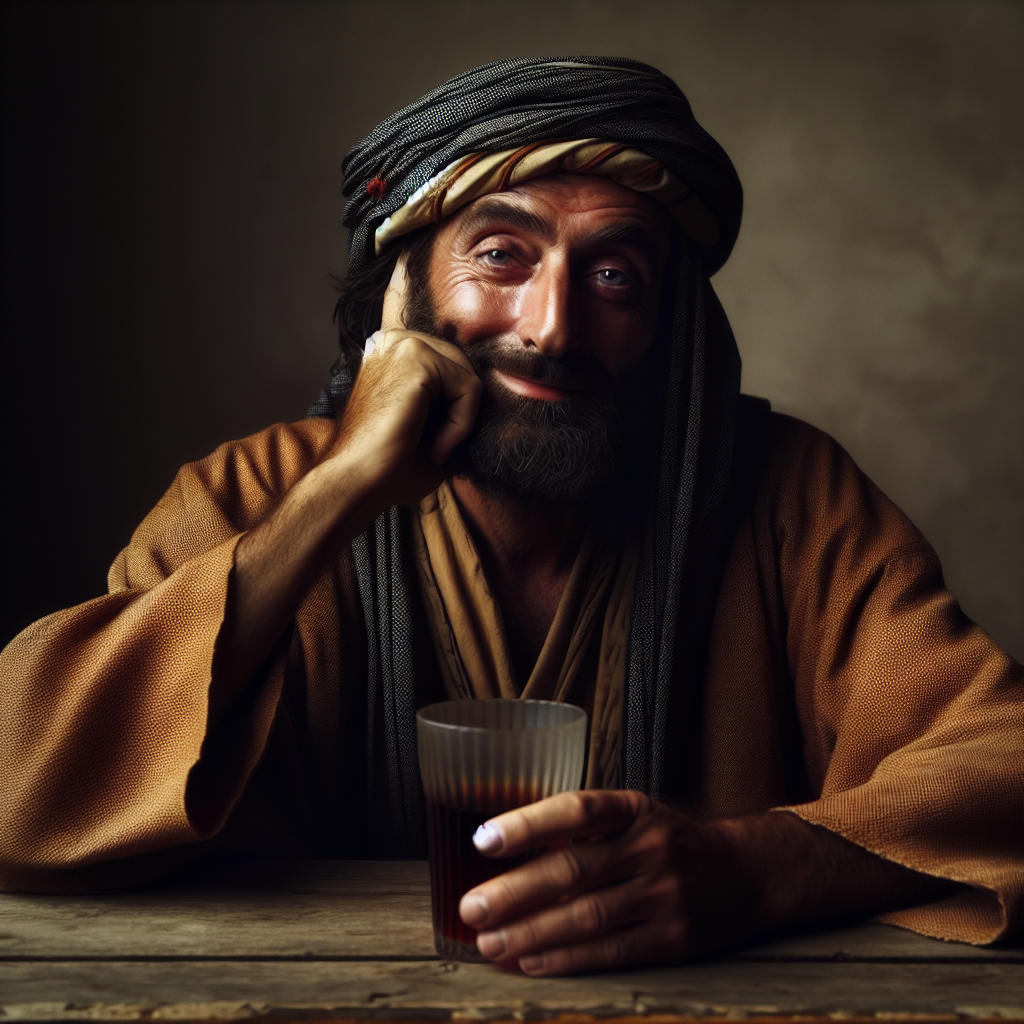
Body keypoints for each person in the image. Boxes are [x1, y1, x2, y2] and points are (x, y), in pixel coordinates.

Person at [1, 58, 1020, 975]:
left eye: (613, 275)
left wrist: (755, 869)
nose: (553, 325)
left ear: (670, 326)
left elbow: (998, 754)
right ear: (399, 295)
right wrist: (338, 487)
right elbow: (22, 785)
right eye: (500, 255)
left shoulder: (789, 500)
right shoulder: (250, 498)